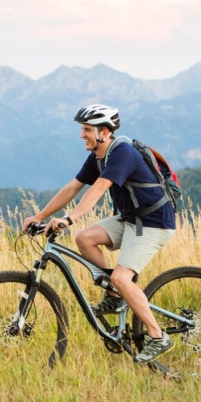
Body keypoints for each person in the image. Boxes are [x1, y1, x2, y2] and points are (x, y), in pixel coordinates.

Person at [21, 104, 177, 364]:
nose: (82, 135)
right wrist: (40, 216)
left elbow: (99, 189)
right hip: (130, 218)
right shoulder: (98, 155)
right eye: (82, 129)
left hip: (152, 222)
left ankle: (157, 335)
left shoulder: (122, 153)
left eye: (86, 130)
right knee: (84, 238)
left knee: (122, 278)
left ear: (104, 132)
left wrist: (70, 218)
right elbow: (73, 187)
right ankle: (116, 297)